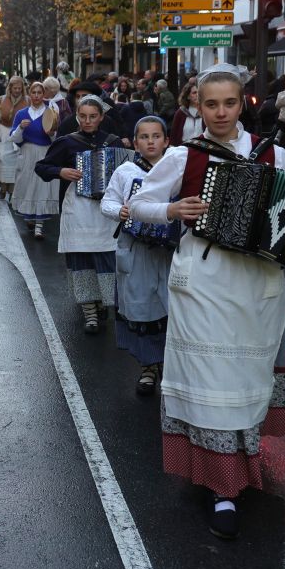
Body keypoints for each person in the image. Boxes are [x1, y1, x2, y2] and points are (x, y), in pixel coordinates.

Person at [128, 64, 285, 539]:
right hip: (204, 279)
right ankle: (223, 487)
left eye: (229, 103)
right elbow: (137, 204)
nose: (220, 112)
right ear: (197, 106)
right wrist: (173, 210)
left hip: (258, 282)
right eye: (210, 104)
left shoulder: (274, 153)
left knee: (245, 377)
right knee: (212, 379)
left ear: (244, 104)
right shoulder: (182, 156)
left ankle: (242, 459)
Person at [34, 96, 124, 334]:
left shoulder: (114, 142)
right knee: (81, 260)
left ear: (101, 117)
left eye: (92, 116)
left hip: (106, 210)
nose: (87, 121)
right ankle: (90, 312)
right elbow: (41, 168)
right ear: (76, 116)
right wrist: (61, 171)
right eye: (82, 116)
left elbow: (128, 171)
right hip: (78, 210)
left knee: (107, 259)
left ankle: (108, 303)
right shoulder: (67, 143)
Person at [102, 115, 175, 393]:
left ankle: (170, 365)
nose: (151, 141)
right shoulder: (126, 172)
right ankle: (147, 367)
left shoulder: (177, 170)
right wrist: (117, 210)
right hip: (136, 249)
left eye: (156, 136)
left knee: (171, 309)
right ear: (135, 143)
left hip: (169, 253)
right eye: (144, 137)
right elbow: (108, 201)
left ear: (167, 140)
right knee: (142, 309)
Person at [10, 80, 60, 238]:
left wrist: (52, 134)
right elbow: (15, 139)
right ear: (29, 94)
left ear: (43, 95)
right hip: (26, 153)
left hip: (44, 153)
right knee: (26, 185)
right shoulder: (21, 114)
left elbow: (55, 139)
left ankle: (39, 224)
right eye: (34, 92)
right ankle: (30, 216)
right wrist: (20, 128)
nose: (37, 96)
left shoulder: (50, 113)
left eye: (40, 93)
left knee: (42, 187)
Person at [0, 76, 27, 200]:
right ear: (10, 88)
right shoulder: (2, 99)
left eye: (19, 88)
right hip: (3, 132)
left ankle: (12, 190)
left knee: (16, 163)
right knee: (3, 160)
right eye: (15, 88)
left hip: (18, 132)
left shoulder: (27, 100)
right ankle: (3, 186)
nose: (17, 90)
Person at [171, 79, 203, 145]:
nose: (197, 95)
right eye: (194, 93)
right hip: (184, 149)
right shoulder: (181, 112)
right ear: (188, 96)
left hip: (202, 149)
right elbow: (174, 134)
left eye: (198, 92)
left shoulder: (204, 111)